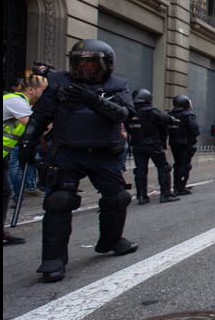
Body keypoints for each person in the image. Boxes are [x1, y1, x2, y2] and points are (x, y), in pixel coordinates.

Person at [17, 39, 138, 282]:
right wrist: (28, 142)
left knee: (117, 197)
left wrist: (93, 100)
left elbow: (124, 114)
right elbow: (40, 115)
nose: (84, 69)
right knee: (59, 201)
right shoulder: (59, 82)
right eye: (78, 63)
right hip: (67, 152)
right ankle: (53, 259)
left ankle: (111, 240)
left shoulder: (117, 85)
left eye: (90, 63)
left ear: (105, 64)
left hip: (105, 153)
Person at [3, 74, 48, 244]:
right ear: (31, 89)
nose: (46, 95)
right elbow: (37, 129)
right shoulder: (16, 102)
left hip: (4, 156)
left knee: (5, 192)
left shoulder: (21, 104)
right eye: (43, 91)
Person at [124, 89, 179, 205]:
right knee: (163, 168)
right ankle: (165, 194)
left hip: (137, 145)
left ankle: (142, 196)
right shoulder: (150, 111)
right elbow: (167, 119)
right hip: (152, 144)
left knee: (140, 171)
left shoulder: (130, 112)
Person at [168, 95, 199, 195]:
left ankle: (176, 186)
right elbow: (195, 130)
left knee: (177, 164)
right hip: (185, 144)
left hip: (173, 143)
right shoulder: (187, 115)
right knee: (185, 165)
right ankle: (180, 187)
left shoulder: (170, 115)